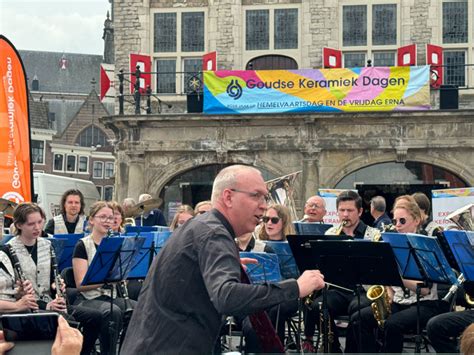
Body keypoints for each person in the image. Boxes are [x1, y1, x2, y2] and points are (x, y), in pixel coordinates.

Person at [121, 165, 325, 354]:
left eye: (265, 197)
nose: (264, 206)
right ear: (228, 197)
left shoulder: (203, 226)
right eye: (256, 196)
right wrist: (295, 288)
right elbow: (227, 297)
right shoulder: (214, 234)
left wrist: (218, 265)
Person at [0, 203, 102, 355]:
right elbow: (13, 294)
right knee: (66, 321)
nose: (37, 228)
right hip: (30, 307)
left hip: (49, 302)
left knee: (95, 317)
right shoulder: (7, 251)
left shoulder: (47, 245)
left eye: (40, 222)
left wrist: (57, 285)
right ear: (19, 225)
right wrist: (44, 304)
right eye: (31, 224)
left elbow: (51, 280)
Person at [346, 196, 442, 353]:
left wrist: (396, 274)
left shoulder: (426, 245)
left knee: (392, 324)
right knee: (358, 319)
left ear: (416, 220)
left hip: (423, 304)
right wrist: (388, 290)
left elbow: (424, 290)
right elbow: (384, 276)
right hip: (398, 302)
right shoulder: (391, 243)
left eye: (402, 221)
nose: (397, 226)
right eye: (395, 221)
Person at [303, 190, 378, 353]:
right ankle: (332, 347)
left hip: (364, 291)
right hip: (338, 290)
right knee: (318, 305)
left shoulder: (373, 235)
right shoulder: (330, 234)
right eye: (342, 210)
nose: (345, 215)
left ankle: (354, 350)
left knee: (355, 309)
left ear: (359, 211)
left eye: (350, 211)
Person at [72, 201, 136, 355]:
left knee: (138, 309)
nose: (108, 221)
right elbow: (80, 285)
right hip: (88, 298)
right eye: (103, 217)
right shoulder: (82, 245)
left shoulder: (117, 244)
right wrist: (106, 279)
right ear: (91, 220)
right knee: (112, 312)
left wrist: (122, 274)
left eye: (110, 218)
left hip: (111, 296)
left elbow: (122, 276)